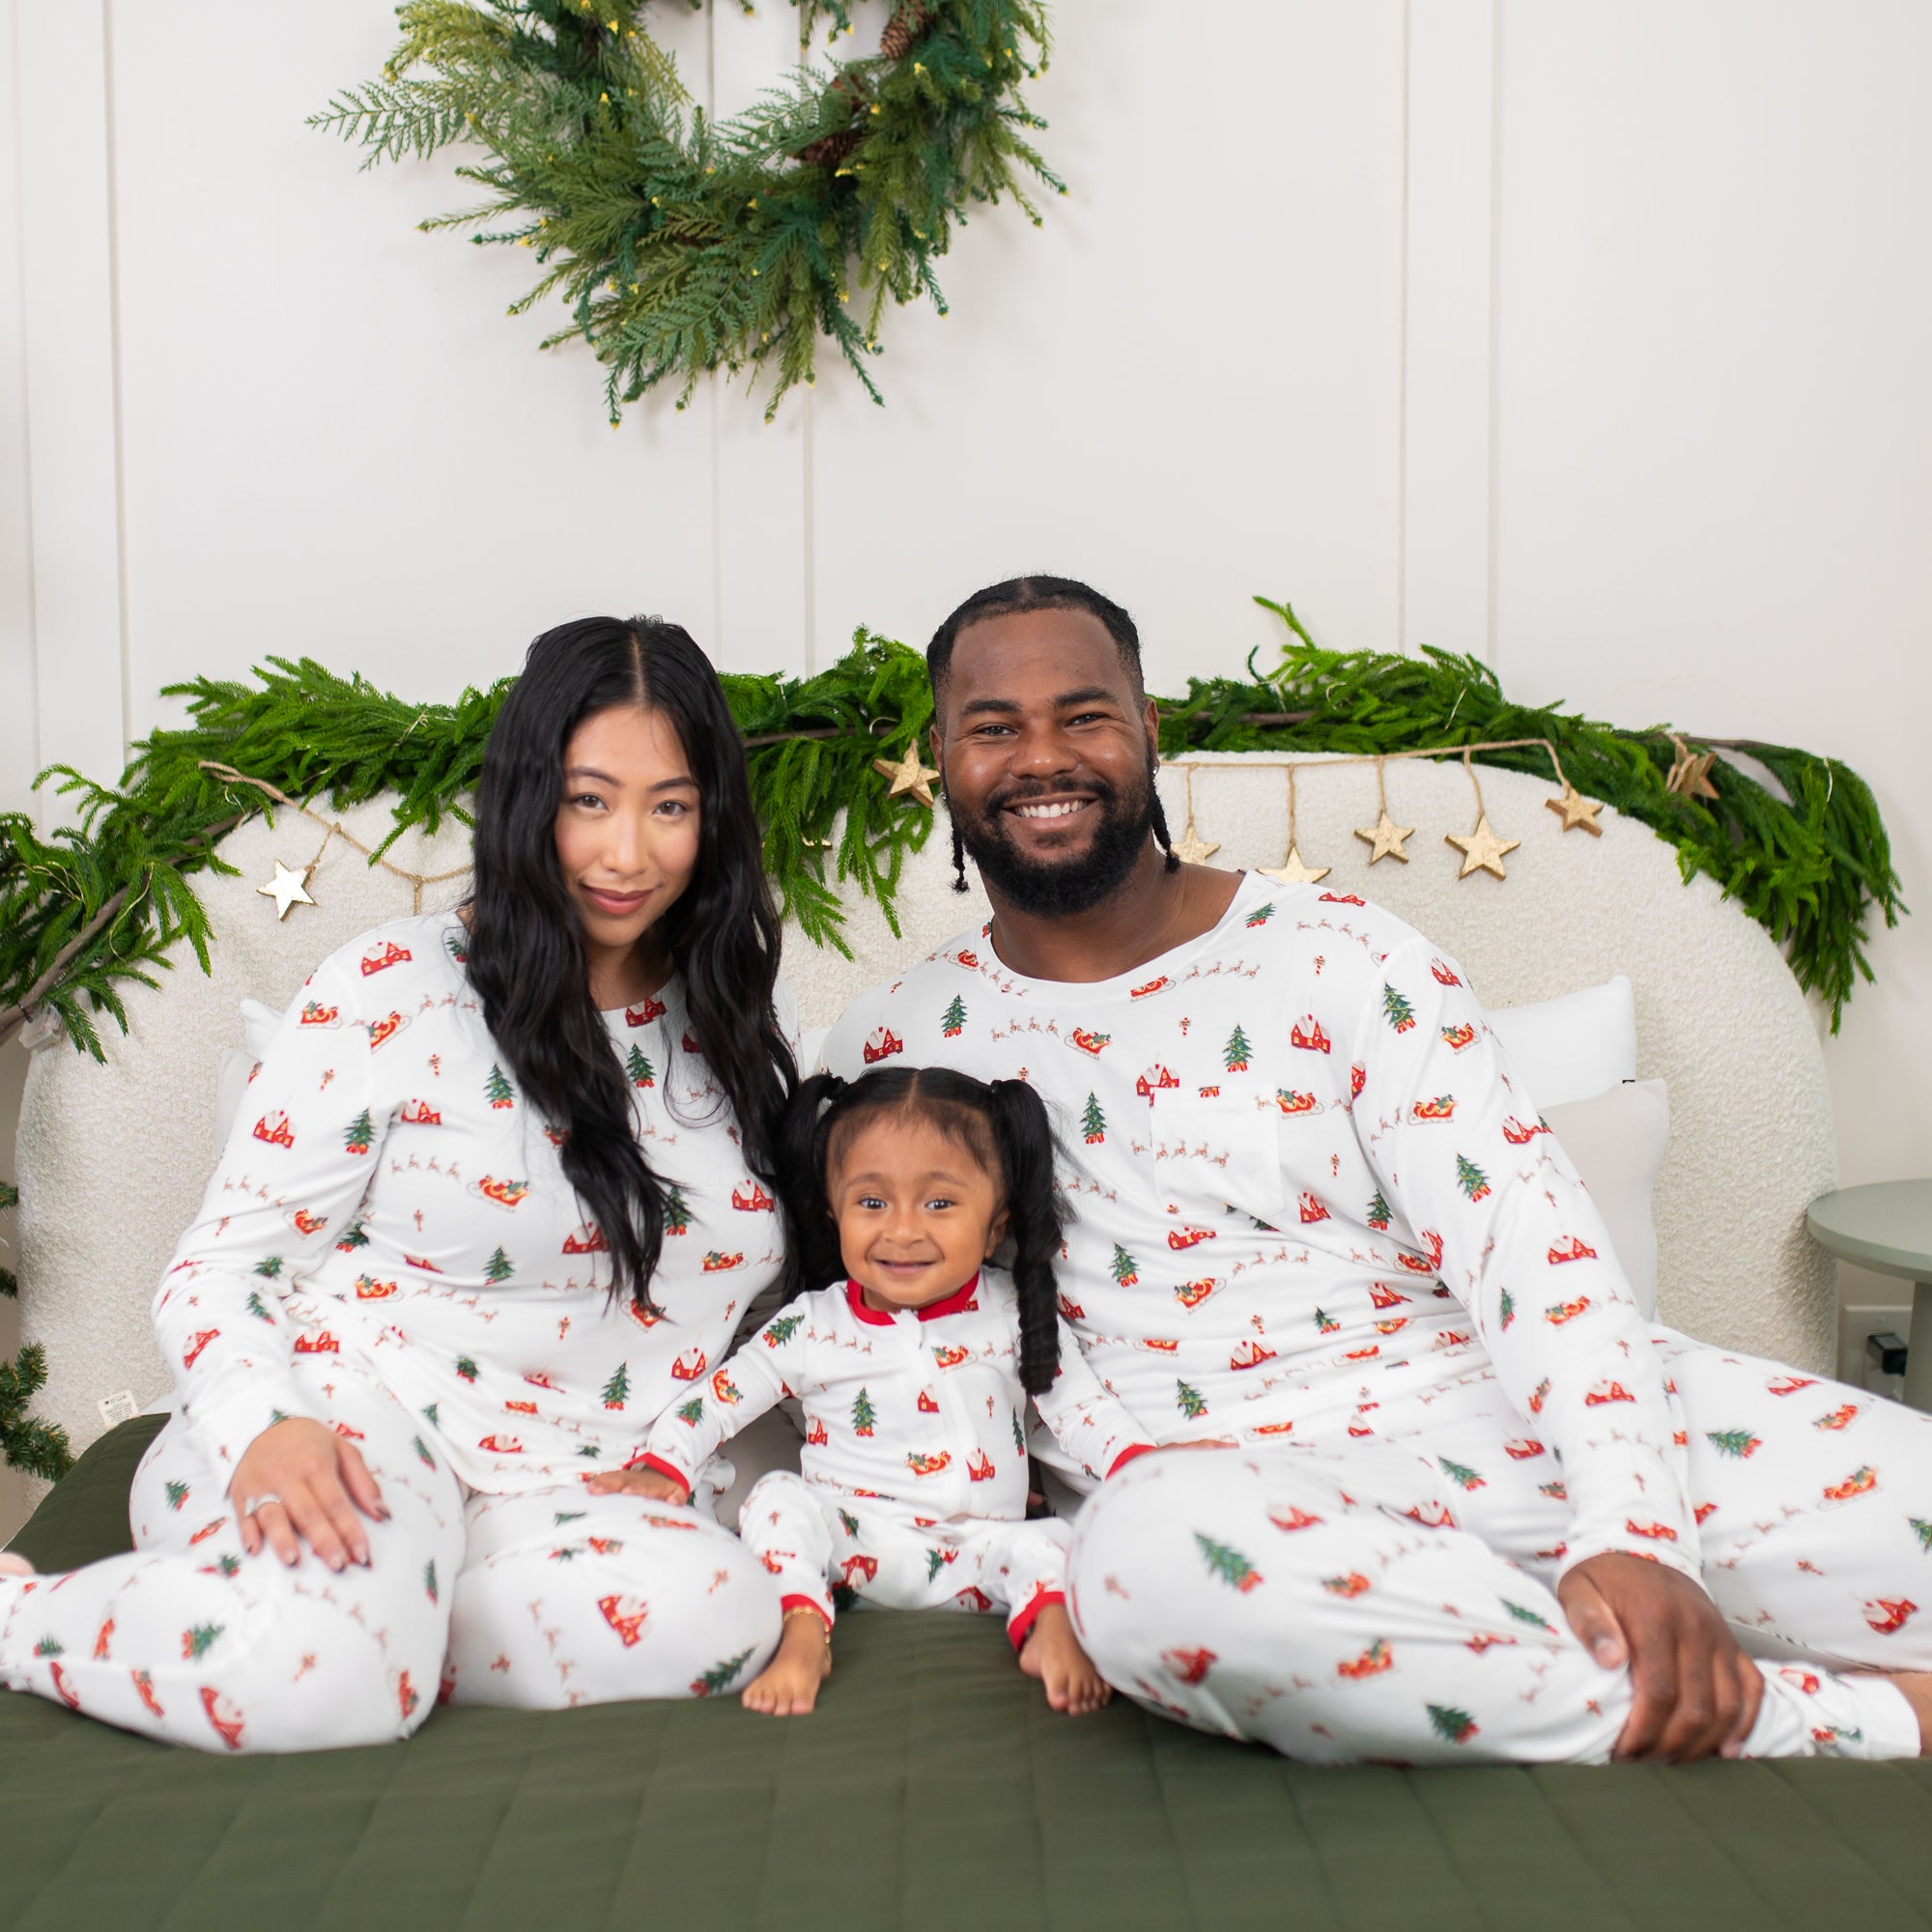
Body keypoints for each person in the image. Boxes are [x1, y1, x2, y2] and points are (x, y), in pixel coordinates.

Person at [820, 573, 1932, 1767]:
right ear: (944, 758)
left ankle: (1525, 1655)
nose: (1042, 755)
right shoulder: (891, 1046)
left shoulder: (1344, 955)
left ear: (1147, 730)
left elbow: (1528, 1240)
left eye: (1082, 714)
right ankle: (1857, 1720)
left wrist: (1632, 1526)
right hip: (1234, 1509)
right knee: (1143, 1574)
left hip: (1514, 1422)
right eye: (994, 726)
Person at [0, 616, 798, 1750]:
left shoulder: (728, 1015)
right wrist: (267, 1425)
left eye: (668, 806)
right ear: (527, 798)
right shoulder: (395, 985)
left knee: (724, 1614)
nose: (627, 852)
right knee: (329, 1679)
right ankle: (30, 1616)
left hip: (565, 1489)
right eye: (588, 800)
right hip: (352, 1415)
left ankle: (367, 1639)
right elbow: (220, 1267)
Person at [614, 1065, 1144, 1717]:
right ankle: (803, 1626)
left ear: (996, 1225)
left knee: (1056, 1540)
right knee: (777, 1499)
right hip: (852, 1553)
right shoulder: (815, 1326)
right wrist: (664, 1462)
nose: (902, 1231)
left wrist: (1143, 1465)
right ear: (833, 1211)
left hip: (983, 1556)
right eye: (871, 1203)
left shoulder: (1015, 1313)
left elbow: (1083, 1411)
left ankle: (1047, 1627)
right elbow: (719, 1399)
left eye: (939, 1204)